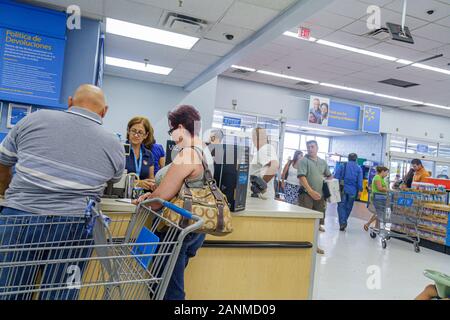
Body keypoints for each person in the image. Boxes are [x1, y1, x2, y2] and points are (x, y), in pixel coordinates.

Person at [0, 84, 125, 300]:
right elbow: (113, 180)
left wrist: (9, 191)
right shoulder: (114, 143)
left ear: (69, 103)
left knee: (11, 287)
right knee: (62, 292)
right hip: (75, 227)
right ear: (105, 112)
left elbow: (3, 163)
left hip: (19, 218)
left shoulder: (34, 119)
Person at [134, 105, 214, 300]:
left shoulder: (188, 154)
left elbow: (159, 200)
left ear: (179, 127)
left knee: (169, 289)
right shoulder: (203, 150)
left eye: (171, 131)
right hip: (192, 227)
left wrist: (147, 198)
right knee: (168, 283)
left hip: (176, 227)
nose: (171, 136)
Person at [298, 140, 332, 255]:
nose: (310, 149)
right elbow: (302, 177)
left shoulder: (323, 162)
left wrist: (330, 184)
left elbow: (329, 175)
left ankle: (314, 245)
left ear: (317, 148)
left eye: (312, 146)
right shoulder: (304, 161)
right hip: (306, 195)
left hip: (320, 196)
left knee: (317, 223)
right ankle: (303, 244)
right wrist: (310, 191)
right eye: (308, 147)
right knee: (306, 221)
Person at [248, 128, 280, 200]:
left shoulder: (266, 148)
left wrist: (260, 186)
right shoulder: (262, 150)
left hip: (262, 197)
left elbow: (274, 165)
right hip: (260, 197)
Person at [126, 117, 156, 191]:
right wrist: (137, 183)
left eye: (140, 132)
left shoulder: (149, 155)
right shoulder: (120, 150)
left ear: (146, 135)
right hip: (120, 196)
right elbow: (114, 178)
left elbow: (151, 179)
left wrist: (153, 184)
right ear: (128, 131)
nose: (136, 135)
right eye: (133, 131)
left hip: (141, 198)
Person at [334, 153, 363, 231]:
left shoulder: (343, 166)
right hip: (353, 191)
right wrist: (360, 190)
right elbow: (360, 182)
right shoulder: (358, 168)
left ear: (348, 158)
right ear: (356, 159)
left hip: (342, 189)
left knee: (341, 206)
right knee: (349, 207)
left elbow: (336, 177)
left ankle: (342, 222)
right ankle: (344, 221)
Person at [364, 166, 389, 232]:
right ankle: (368, 224)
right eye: (386, 173)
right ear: (383, 171)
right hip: (377, 197)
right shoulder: (377, 177)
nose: (387, 174)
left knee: (378, 213)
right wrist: (387, 189)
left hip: (380, 198)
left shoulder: (381, 178)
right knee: (379, 213)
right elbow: (379, 188)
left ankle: (376, 227)